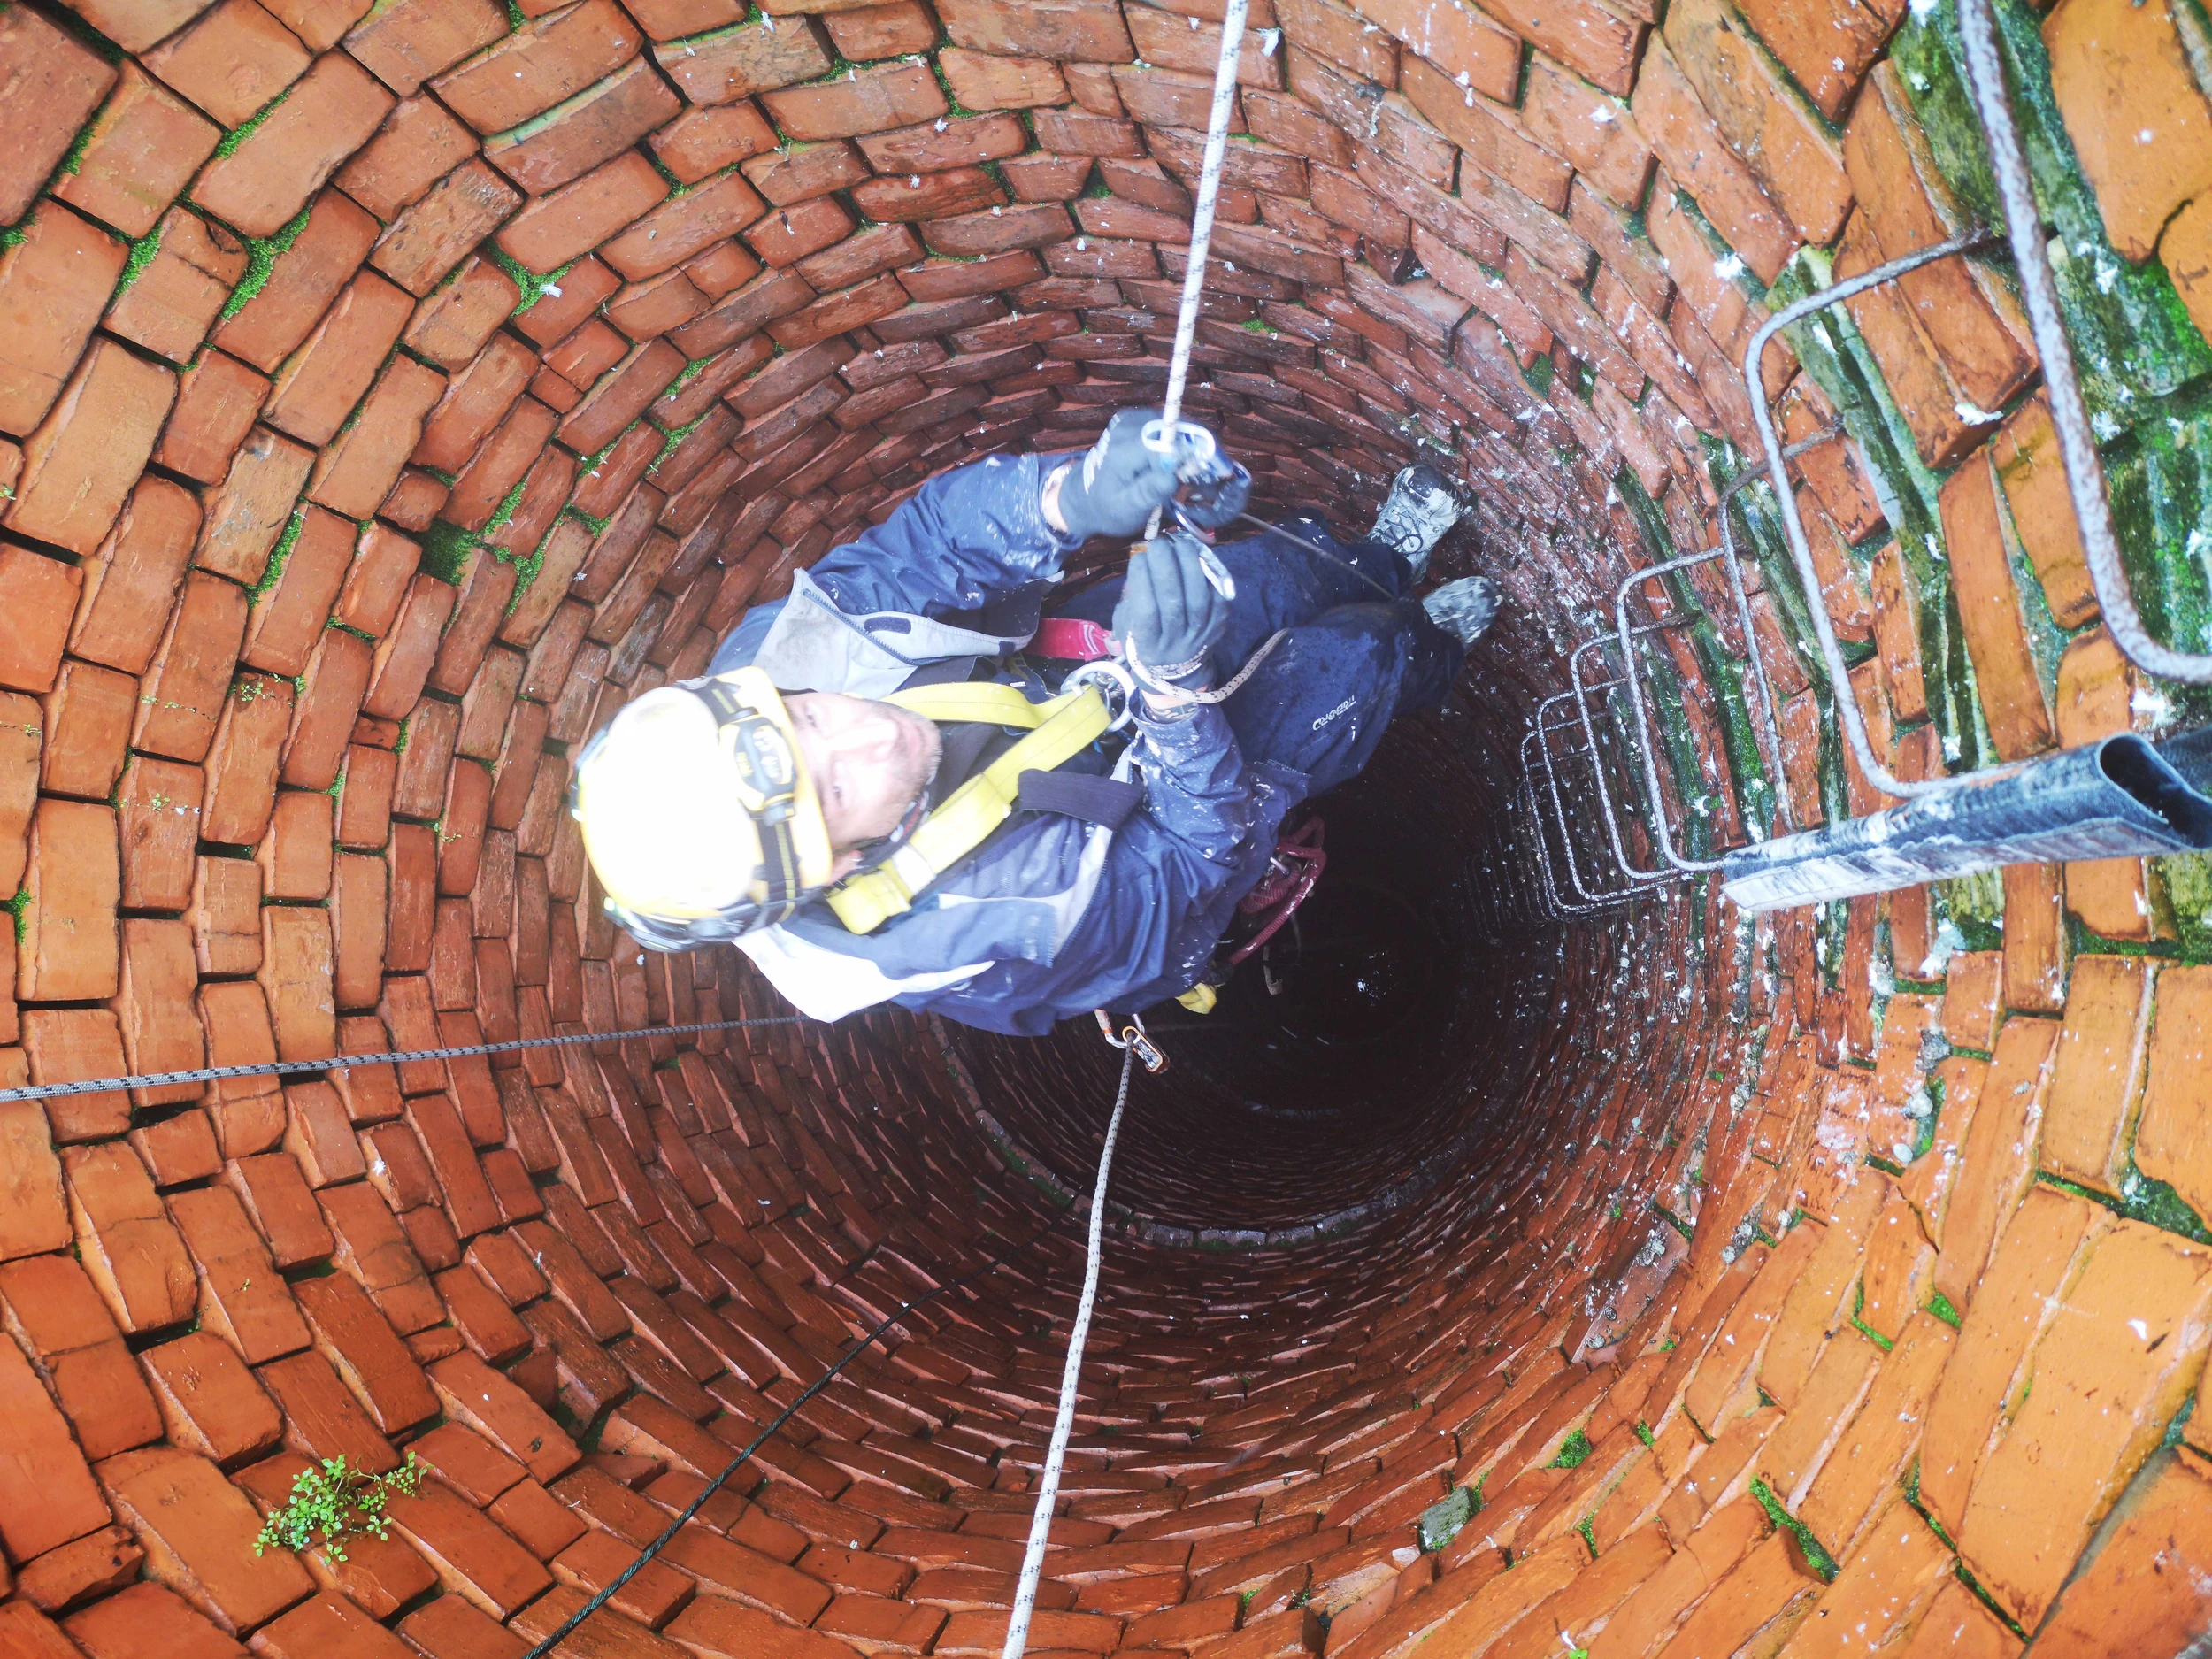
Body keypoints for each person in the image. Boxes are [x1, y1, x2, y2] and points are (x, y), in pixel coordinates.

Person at [572, 410, 1496, 1036]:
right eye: (840, 788)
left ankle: (1379, 559)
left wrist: (1073, 496)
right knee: (1359, 664)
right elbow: (1195, 864)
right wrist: (1172, 692)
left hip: (1080, 667)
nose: (869, 732)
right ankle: (1424, 650)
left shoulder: (758, 682)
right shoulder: (988, 929)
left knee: (1284, 578)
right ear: (845, 865)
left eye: (809, 716)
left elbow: (926, 548)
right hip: (1175, 822)